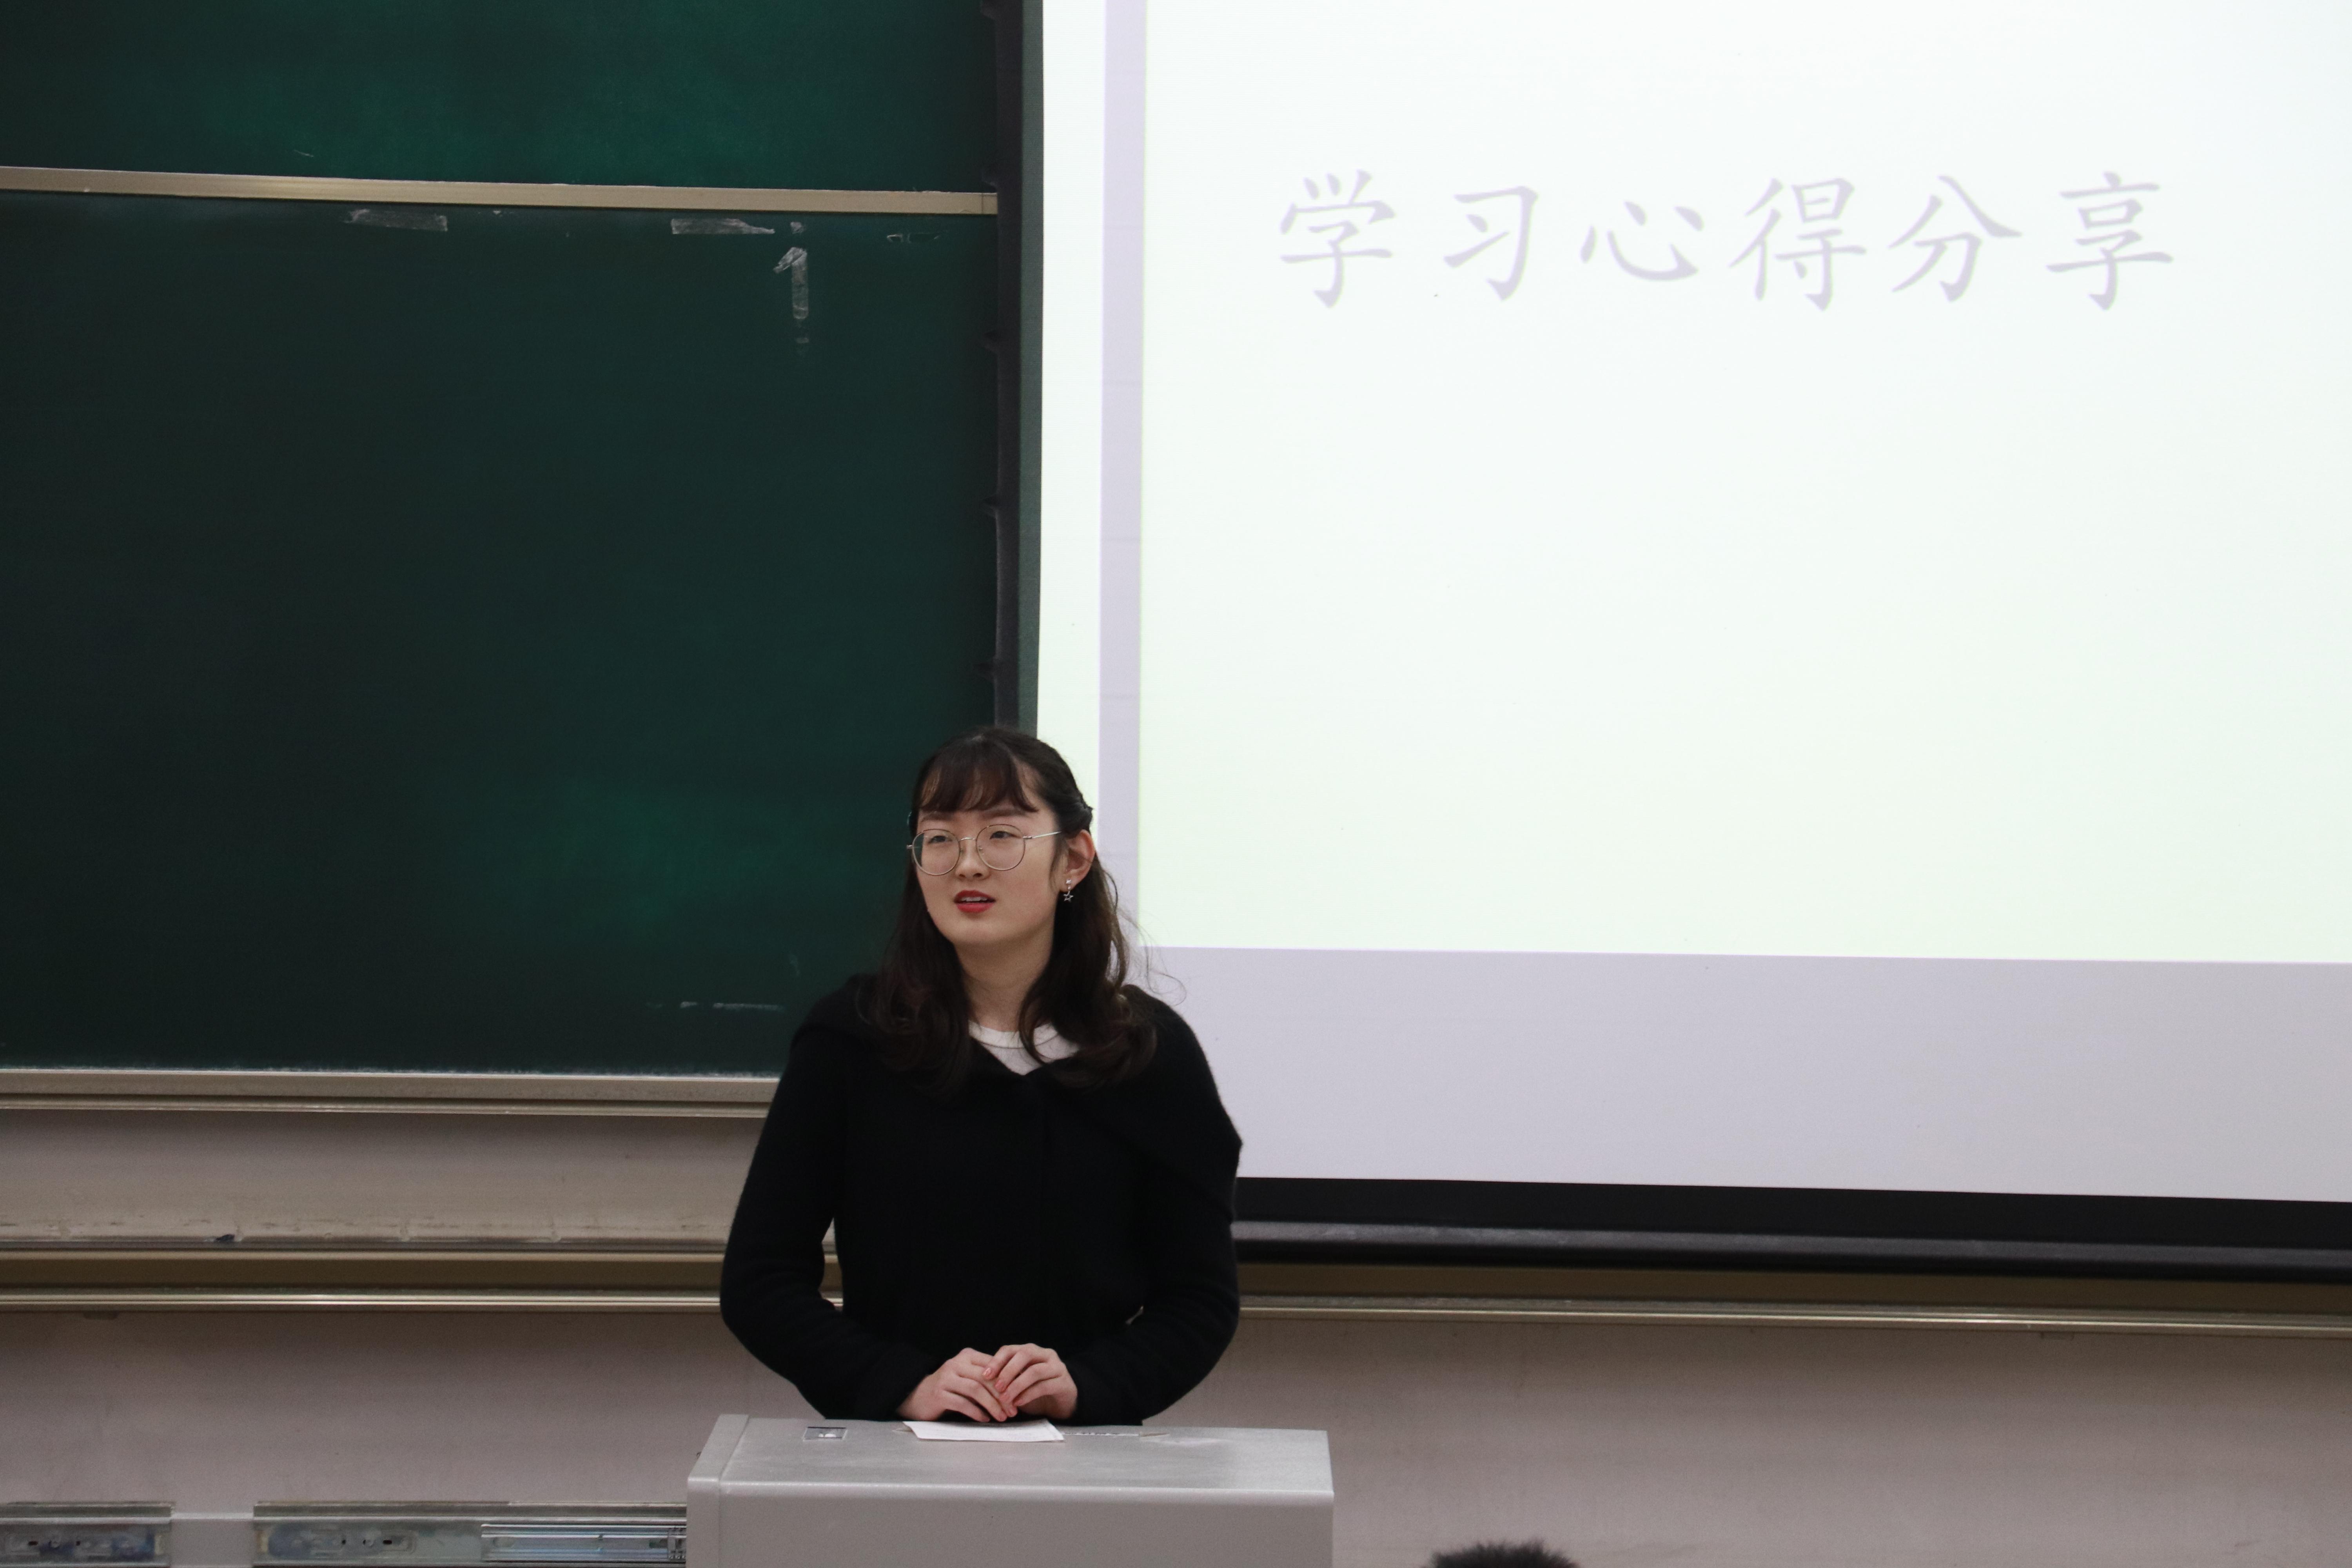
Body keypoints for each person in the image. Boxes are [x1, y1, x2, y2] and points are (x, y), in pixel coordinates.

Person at [720, 727, 1242, 1425]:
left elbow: (1200, 1300)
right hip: (895, 1449)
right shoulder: (852, 1040)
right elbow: (760, 1282)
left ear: (1073, 859)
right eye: (940, 838)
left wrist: (1087, 1385)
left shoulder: (1148, 1052)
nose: (967, 864)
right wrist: (902, 1385)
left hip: (1086, 1457)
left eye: (1001, 835)